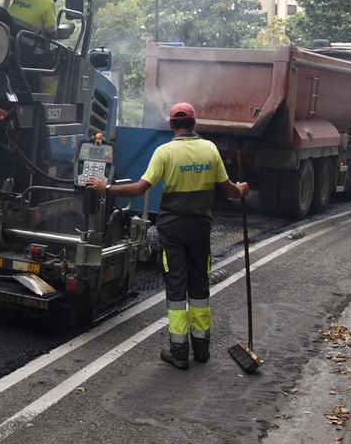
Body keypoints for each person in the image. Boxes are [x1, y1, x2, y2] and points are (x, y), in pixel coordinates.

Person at [85, 102, 249, 369]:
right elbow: (230, 191)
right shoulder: (210, 149)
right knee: (199, 287)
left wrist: (106, 187)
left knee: (176, 287)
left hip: (172, 229)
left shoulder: (165, 152)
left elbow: (139, 189)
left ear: (172, 124)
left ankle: (179, 351)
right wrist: (242, 190)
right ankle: (202, 348)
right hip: (200, 229)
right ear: (194, 124)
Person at [8, 0, 66, 96]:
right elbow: (51, 36)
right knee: (54, 63)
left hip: (9, 49)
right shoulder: (48, 2)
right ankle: (47, 102)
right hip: (29, 54)